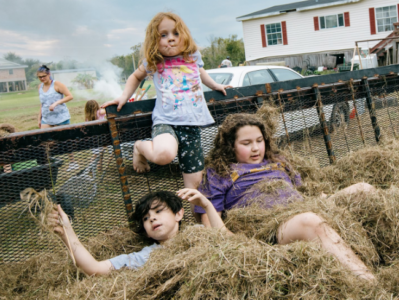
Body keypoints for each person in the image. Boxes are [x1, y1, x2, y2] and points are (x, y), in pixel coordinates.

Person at [194, 113, 376, 282]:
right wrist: (242, 245)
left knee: (363, 189)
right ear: (230, 145)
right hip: (271, 227)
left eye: (259, 140)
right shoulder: (219, 172)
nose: (256, 148)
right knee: (309, 220)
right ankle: (369, 282)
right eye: (246, 143)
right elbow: (210, 223)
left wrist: (327, 199)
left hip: (303, 207)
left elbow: (303, 191)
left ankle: (382, 255)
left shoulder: (278, 161)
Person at [102, 12, 232, 196]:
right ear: (154, 40)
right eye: (163, 35)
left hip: (192, 125)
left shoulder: (192, 55)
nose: (170, 39)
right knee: (164, 155)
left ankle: (199, 224)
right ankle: (139, 146)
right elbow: (136, 76)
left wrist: (216, 85)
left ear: (184, 35)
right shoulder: (155, 60)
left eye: (175, 33)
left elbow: (201, 73)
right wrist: (123, 96)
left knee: (195, 188)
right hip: (166, 122)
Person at [47, 190, 226, 275]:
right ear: (147, 233)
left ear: (179, 213)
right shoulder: (148, 256)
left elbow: (227, 239)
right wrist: (67, 233)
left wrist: (207, 205)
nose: (152, 219)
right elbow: (95, 268)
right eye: (146, 219)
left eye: (158, 211)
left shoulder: (198, 232)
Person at [37, 65, 78, 171]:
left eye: (44, 76)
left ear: (49, 74)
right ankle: (47, 164)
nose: (42, 79)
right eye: (40, 77)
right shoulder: (40, 87)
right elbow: (42, 104)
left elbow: (70, 96)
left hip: (61, 117)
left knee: (65, 140)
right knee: (43, 140)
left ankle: (73, 162)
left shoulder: (57, 84)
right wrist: (39, 118)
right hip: (46, 118)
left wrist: (56, 103)